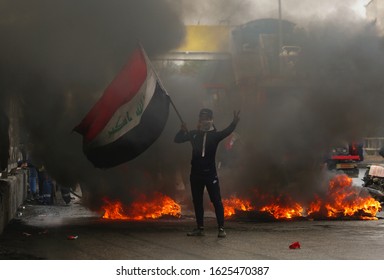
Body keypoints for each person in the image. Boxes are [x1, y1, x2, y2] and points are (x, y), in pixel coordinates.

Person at [174, 108, 240, 238]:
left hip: (210, 174)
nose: (204, 121)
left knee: (216, 201)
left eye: (207, 118)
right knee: (197, 201)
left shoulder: (215, 136)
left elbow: (227, 131)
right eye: (202, 118)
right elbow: (177, 139)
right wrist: (182, 129)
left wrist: (234, 122)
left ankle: (221, 229)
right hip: (196, 174)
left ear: (211, 119)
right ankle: (200, 228)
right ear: (199, 120)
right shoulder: (193, 134)